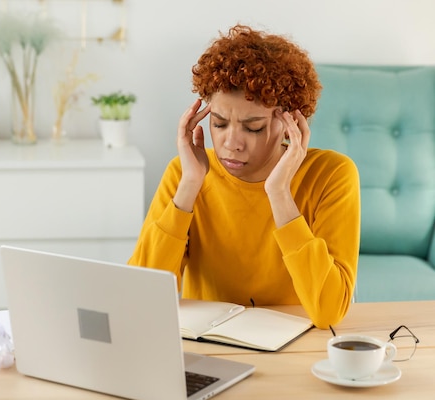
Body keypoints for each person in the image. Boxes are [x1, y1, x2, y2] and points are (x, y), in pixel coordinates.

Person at [128, 25, 360, 329]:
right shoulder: (185, 174)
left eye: (253, 128)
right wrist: (188, 188)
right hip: (209, 349)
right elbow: (141, 299)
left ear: (291, 122)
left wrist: (278, 192)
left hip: (297, 350)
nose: (231, 143)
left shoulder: (332, 175)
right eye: (220, 123)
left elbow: (328, 312)